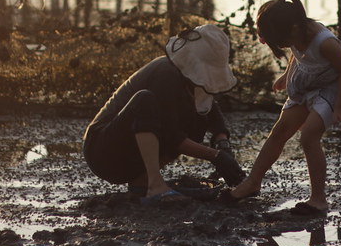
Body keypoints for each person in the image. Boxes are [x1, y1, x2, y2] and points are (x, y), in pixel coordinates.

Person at [223, 0, 341, 215]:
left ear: (294, 28)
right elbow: (298, 55)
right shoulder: (296, 33)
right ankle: (252, 183)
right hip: (310, 78)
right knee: (280, 130)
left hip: (334, 85)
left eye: (280, 41)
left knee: (309, 136)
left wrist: (340, 108)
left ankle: (318, 199)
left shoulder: (325, 42)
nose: (281, 46)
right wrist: (286, 76)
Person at [82, 24, 245, 206]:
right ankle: (154, 184)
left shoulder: (191, 81)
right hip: (104, 151)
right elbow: (171, 135)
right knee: (144, 100)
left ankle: (141, 181)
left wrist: (222, 143)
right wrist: (215, 156)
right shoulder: (166, 72)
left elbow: (209, 107)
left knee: (197, 121)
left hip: (129, 158)